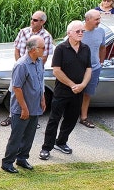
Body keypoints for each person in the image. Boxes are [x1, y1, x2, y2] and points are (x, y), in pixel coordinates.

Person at [39, 21, 91, 160]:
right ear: (69, 33)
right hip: (62, 92)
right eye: (77, 31)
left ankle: (61, 142)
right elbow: (56, 70)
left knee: (71, 119)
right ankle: (46, 147)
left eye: (82, 31)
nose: (81, 33)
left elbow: (88, 69)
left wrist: (83, 85)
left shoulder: (86, 48)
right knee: (54, 119)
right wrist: (73, 85)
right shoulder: (61, 49)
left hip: (78, 92)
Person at [1, 36, 47, 173]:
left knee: (29, 136)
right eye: (42, 48)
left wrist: (43, 98)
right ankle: (7, 162)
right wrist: (24, 108)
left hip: (35, 106)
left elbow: (40, 81)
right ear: (33, 49)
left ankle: (22, 158)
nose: (45, 50)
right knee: (17, 136)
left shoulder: (39, 62)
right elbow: (17, 88)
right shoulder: (21, 65)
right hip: (22, 109)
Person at [0, 10, 54, 127]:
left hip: (36, 68)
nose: (32, 22)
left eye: (35, 20)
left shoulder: (46, 36)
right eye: (31, 19)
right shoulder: (23, 32)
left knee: (34, 92)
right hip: (22, 66)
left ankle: (33, 117)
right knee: (14, 90)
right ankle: (12, 115)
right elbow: (17, 50)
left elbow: (44, 56)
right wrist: (20, 64)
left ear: (42, 22)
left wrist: (35, 67)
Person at [79, 9, 106, 128]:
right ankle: (70, 115)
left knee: (88, 94)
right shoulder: (78, 31)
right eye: (97, 19)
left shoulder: (101, 31)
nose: (99, 21)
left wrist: (101, 62)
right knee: (74, 92)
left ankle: (83, 117)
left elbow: (102, 47)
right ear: (88, 20)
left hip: (94, 68)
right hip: (78, 68)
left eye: (99, 18)